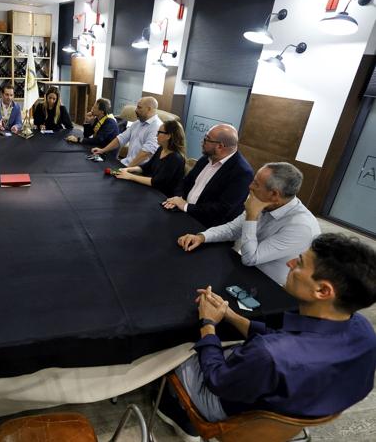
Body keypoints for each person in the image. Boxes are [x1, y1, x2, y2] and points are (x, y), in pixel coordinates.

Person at [156, 233, 376, 441]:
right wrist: (232, 316)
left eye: (299, 263)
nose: (289, 263)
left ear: (323, 291)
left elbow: (216, 379)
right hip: (294, 408)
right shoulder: (364, 331)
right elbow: (284, 342)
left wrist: (208, 324)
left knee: (178, 349)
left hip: (233, 412)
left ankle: (177, 411)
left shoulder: (270, 354)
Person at [177, 162, 320, 285]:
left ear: (274, 194)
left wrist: (252, 216)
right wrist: (202, 237)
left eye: (256, 184)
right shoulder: (264, 201)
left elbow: (251, 258)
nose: (250, 186)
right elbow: (233, 229)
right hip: (245, 272)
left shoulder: (301, 227)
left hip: (271, 286)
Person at [163, 124, 253, 228]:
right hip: (182, 213)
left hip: (205, 227)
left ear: (220, 146)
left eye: (207, 139)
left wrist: (186, 206)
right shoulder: (206, 158)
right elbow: (185, 182)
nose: (202, 142)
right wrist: (177, 198)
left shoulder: (242, 172)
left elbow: (222, 209)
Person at [114, 120, 186, 197]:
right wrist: (128, 169)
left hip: (161, 196)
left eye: (159, 132)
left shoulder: (175, 158)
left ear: (168, 136)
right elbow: (147, 167)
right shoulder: (161, 149)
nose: (156, 135)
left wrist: (130, 176)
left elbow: (157, 182)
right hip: (151, 190)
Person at [91, 97, 161, 167]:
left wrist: (127, 168)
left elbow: (147, 152)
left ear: (149, 109)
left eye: (139, 107)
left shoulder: (157, 127)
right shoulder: (137, 123)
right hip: (126, 163)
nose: (136, 110)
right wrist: (103, 150)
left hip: (138, 170)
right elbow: (121, 138)